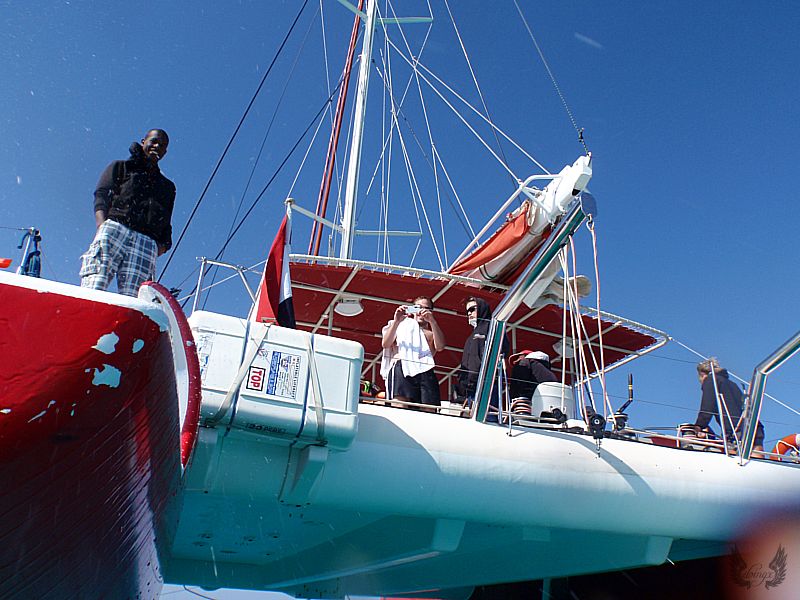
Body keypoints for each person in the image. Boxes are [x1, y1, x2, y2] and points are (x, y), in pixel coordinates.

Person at [79, 129, 176, 297]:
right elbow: (102, 195)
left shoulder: (167, 187)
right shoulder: (121, 167)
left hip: (147, 241)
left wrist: (162, 245)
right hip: (116, 228)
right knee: (94, 286)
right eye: (153, 141)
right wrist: (102, 226)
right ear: (143, 141)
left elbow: (167, 219)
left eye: (162, 145)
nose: (157, 146)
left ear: (165, 152)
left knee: (134, 299)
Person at [380, 296, 445, 409]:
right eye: (418, 307)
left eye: (425, 308)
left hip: (425, 369)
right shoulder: (401, 326)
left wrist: (432, 321)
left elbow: (440, 347)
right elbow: (386, 344)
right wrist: (396, 321)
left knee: (429, 407)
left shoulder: (431, 334)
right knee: (400, 403)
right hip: (402, 366)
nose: (421, 311)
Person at [694, 357, 765, 453]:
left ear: (702, 375)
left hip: (736, 431)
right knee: (756, 457)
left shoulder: (711, 380)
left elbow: (707, 407)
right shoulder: (731, 384)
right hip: (754, 427)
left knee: (734, 457)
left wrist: (699, 426)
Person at [455, 297, 508, 419]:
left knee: (488, 420)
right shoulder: (471, 336)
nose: (469, 313)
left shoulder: (493, 328)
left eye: (472, 309)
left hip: (487, 385)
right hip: (472, 388)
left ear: (482, 308)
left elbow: (503, 349)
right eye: (467, 311)